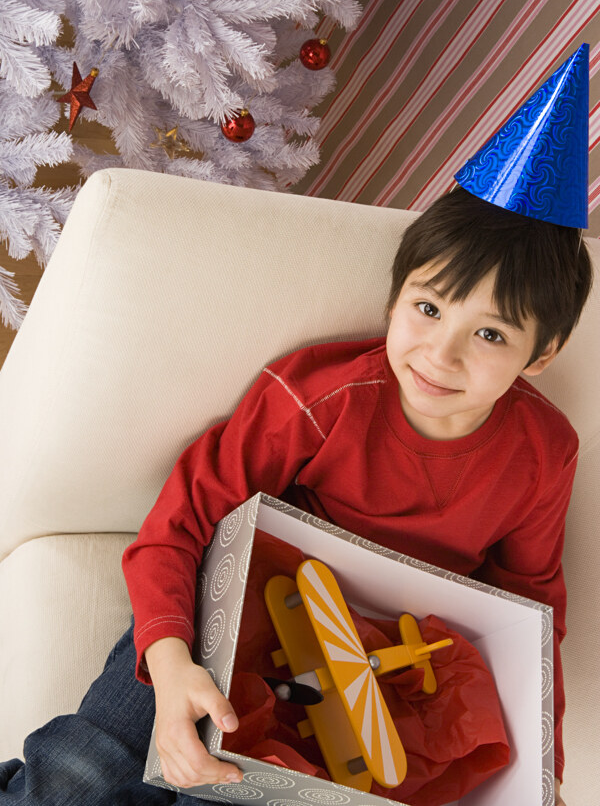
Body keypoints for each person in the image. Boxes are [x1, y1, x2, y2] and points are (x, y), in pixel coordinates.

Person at [0, 46, 591, 806]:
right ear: (395, 297)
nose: (439, 354)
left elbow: (533, 606)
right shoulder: (324, 393)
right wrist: (173, 663)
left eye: (490, 335)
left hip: (362, 664)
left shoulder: (543, 454)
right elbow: (181, 518)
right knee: (80, 778)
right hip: (234, 612)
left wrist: (546, 771)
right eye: (428, 309)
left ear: (542, 353)